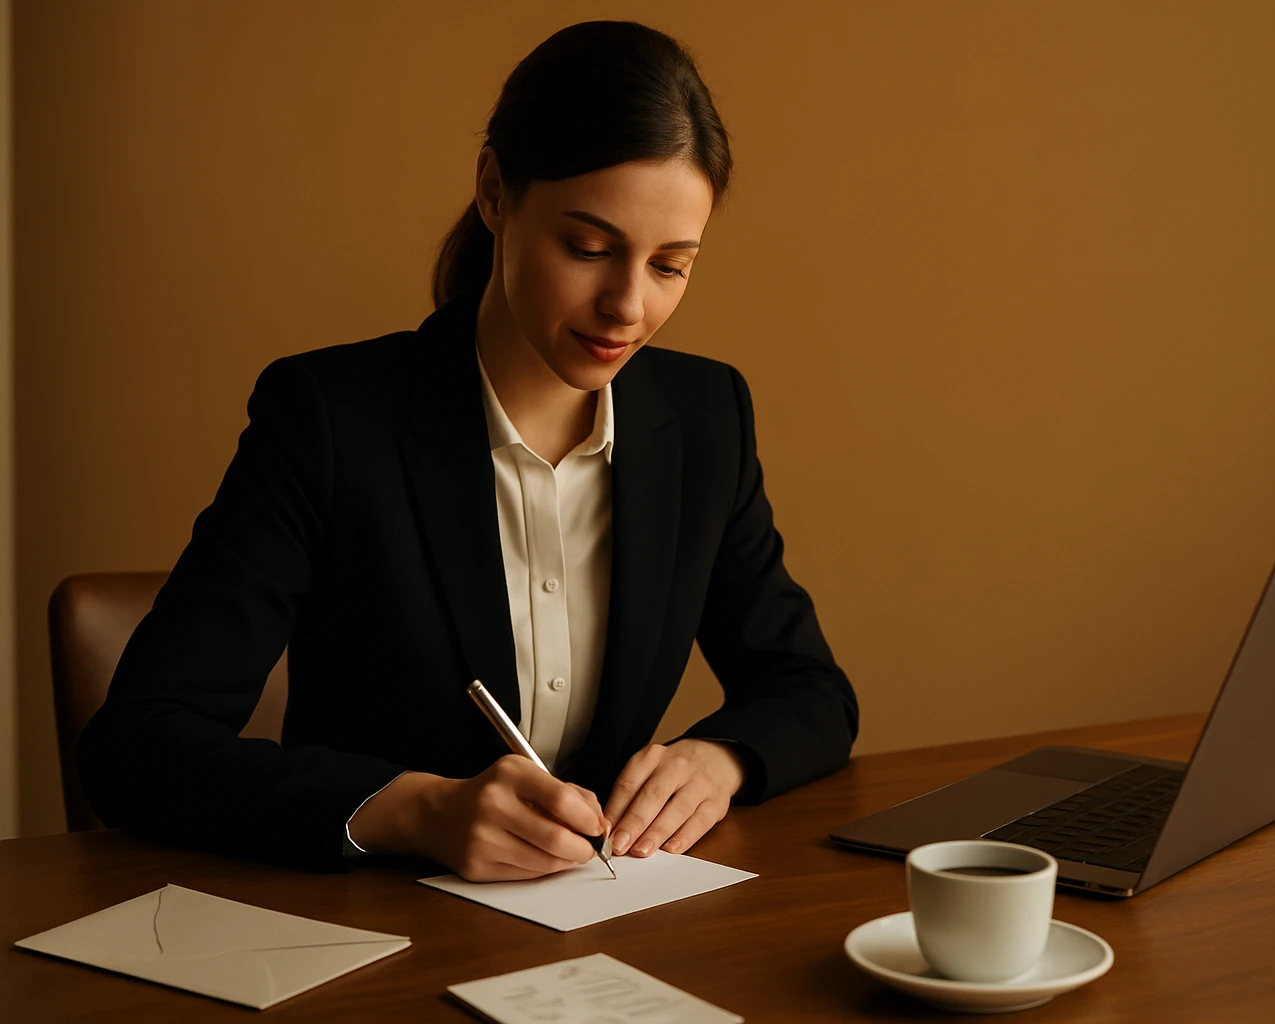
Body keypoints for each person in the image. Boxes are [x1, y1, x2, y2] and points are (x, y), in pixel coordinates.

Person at [77, 20, 857, 881]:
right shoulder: (330, 420)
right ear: (493, 192)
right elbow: (137, 744)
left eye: (670, 266)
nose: (628, 306)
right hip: (376, 923)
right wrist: (415, 810)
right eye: (589, 249)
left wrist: (719, 759)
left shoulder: (705, 418)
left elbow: (810, 690)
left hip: (602, 921)